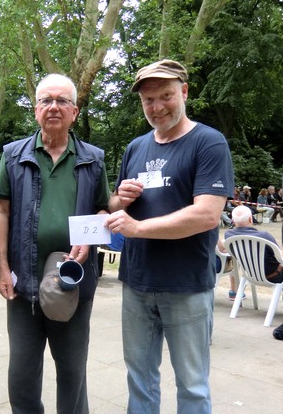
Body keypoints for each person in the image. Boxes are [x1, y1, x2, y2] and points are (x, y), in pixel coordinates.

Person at [106, 59, 233, 413]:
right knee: (139, 379)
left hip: (186, 285)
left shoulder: (209, 142)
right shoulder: (136, 148)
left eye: (166, 96)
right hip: (136, 282)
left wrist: (137, 229)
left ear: (184, 92)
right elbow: (114, 206)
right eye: (148, 100)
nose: (157, 107)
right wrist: (120, 199)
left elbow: (206, 215)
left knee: (192, 384)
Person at [0, 73, 110, 414]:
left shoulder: (93, 159)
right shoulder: (13, 155)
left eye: (62, 101)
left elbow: (103, 207)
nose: (53, 107)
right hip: (23, 284)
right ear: (36, 110)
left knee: (72, 372)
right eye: (46, 100)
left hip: (73, 281)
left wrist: (87, 240)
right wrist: (3, 268)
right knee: (22, 374)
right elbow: (1, 209)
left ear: (74, 111)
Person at [222, 205, 283, 315]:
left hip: (250, 274)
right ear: (250, 219)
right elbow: (282, 257)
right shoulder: (264, 235)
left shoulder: (228, 235)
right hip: (274, 276)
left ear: (233, 220)